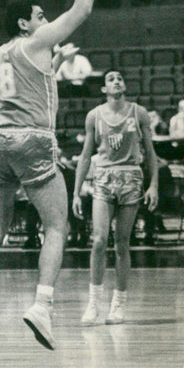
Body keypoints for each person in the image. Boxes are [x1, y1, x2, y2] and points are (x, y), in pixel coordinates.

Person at [0, 0, 109, 350]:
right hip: (32, 140)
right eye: (40, 16)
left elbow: (26, 87)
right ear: (24, 23)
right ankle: (42, 307)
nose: (45, 20)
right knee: (57, 226)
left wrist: (56, 64)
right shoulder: (36, 41)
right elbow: (82, 11)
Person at [72, 70, 158, 325]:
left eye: (120, 78)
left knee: (122, 243)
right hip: (104, 177)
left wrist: (154, 185)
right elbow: (85, 156)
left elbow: (151, 153)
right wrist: (76, 192)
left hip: (131, 177)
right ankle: (93, 303)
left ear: (125, 85)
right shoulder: (94, 115)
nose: (116, 81)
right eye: (110, 79)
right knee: (98, 241)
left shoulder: (138, 112)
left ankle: (118, 304)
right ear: (103, 89)